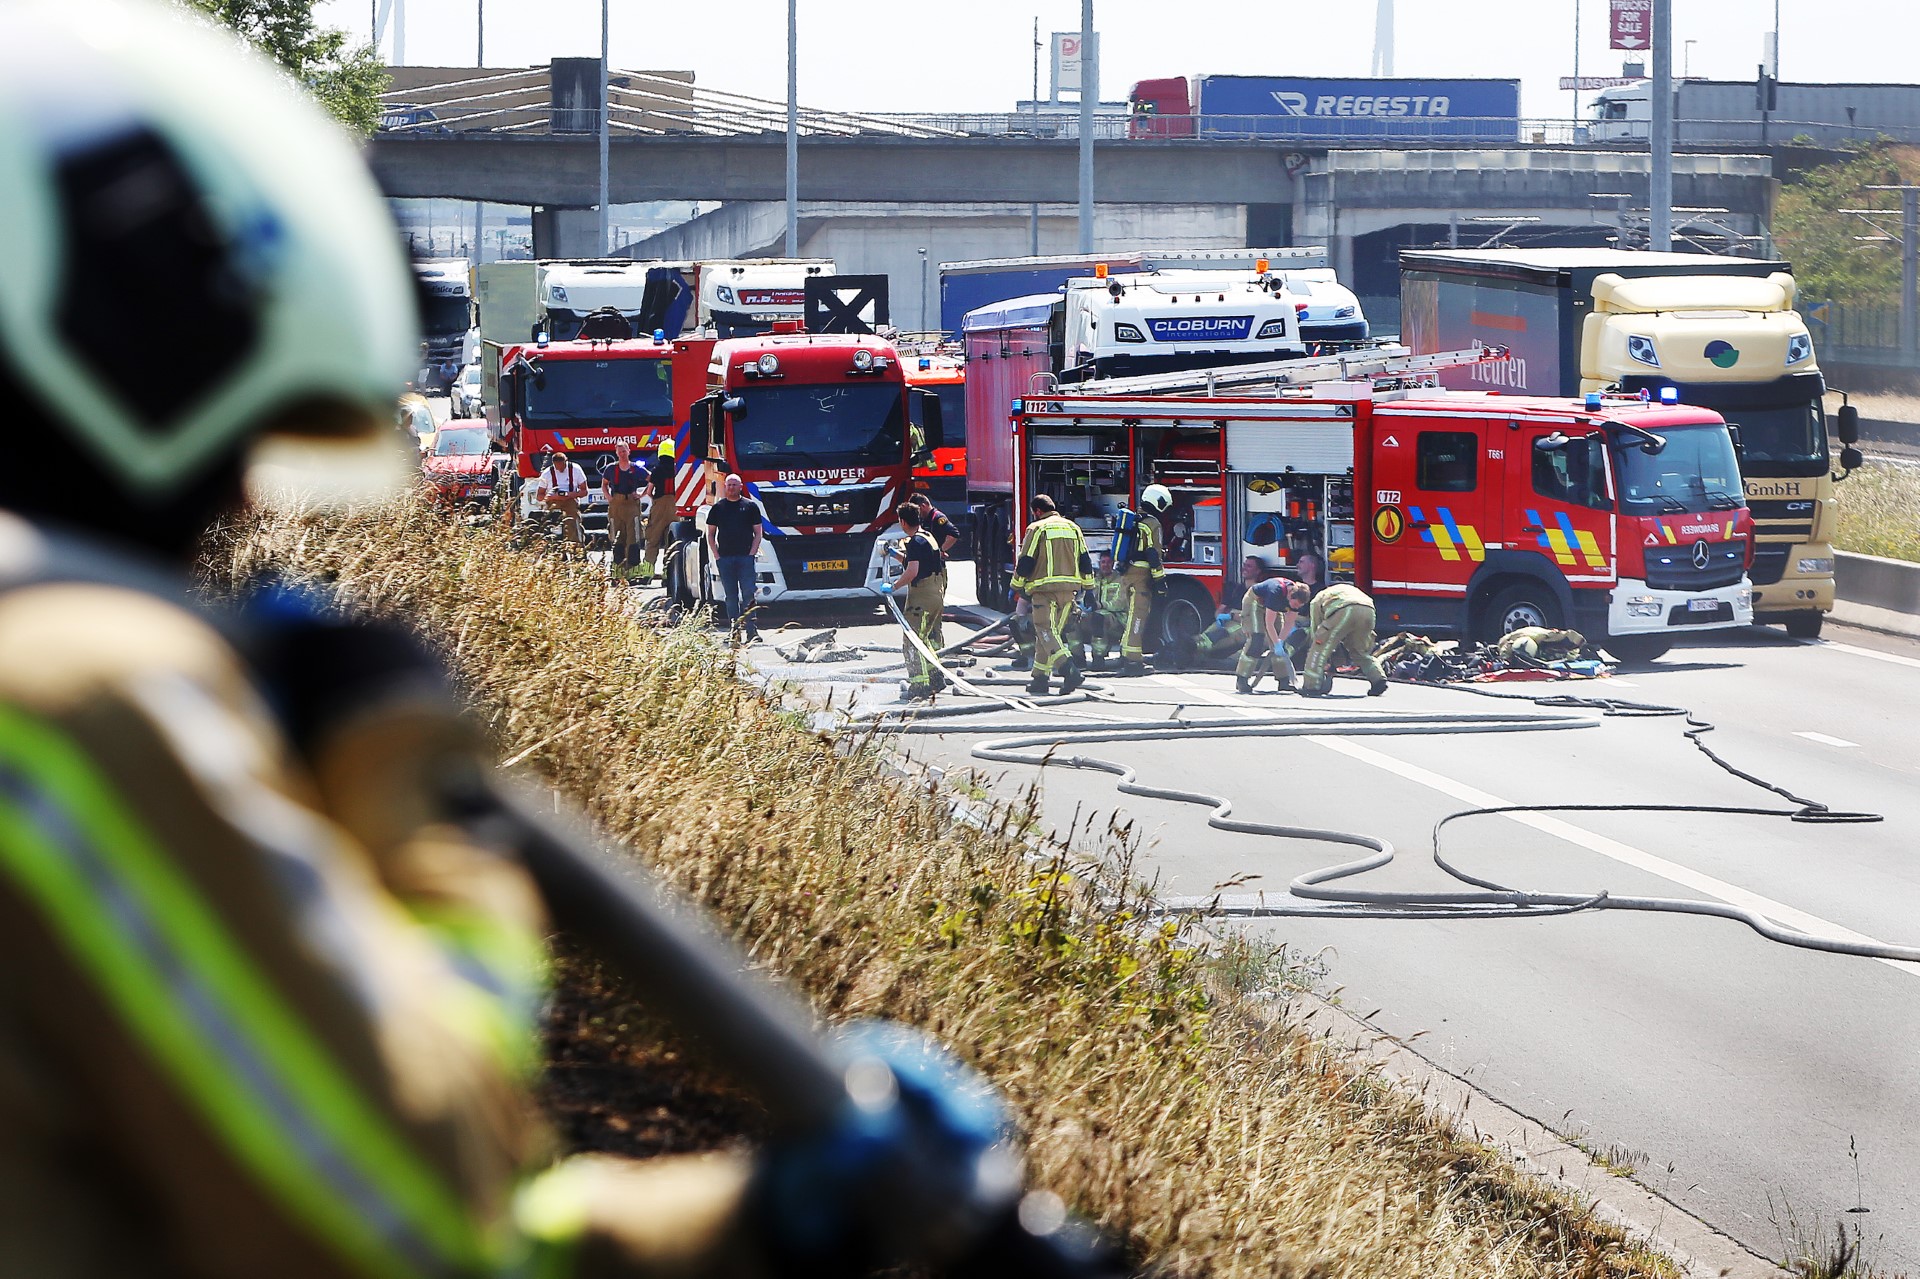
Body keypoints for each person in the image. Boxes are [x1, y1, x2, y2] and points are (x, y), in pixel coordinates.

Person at [0, 3, 985, 1273]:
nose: (240, 511)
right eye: (236, 458)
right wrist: (411, 797)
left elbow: (377, 1213)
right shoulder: (67, 705)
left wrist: (740, 1222)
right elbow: (415, 1219)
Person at [1009, 494, 1093, 697]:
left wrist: (1016, 586)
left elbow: (1026, 560)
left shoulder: (1037, 528)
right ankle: (1040, 678)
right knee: (1048, 636)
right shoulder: (1073, 528)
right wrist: (1089, 589)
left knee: (1044, 630)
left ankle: (1068, 669)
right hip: (1069, 592)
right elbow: (1085, 560)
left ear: (1037, 511)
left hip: (1044, 592)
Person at [889, 503, 948, 701]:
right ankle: (935, 676)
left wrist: (894, 586)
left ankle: (919, 685)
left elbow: (913, 571)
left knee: (912, 641)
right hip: (935, 593)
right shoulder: (927, 537)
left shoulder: (914, 542)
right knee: (923, 639)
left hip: (921, 597)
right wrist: (892, 553)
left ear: (903, 521)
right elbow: (914, 562)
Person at [1112, 484, 1171, 676]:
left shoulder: (1135, 519)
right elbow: (1153, 554)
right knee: (1138, 617)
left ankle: (1124, 653)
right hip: (1141, 576)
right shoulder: (1152, 523)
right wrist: (1160, 581)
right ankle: (1133, 662)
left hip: (1127, 573)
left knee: (1130, 616)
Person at [1300, 581, 1390, 697]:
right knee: (1359, 651)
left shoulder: (1316, 601)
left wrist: (1317, 645)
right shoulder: (1341, 591)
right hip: (1369, 609)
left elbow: (1316, 630)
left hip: (1346, 609)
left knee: (1318, 648)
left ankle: (1311, 686)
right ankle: (1378, 679)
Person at [705, 472, 765, 641]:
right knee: (730, 596)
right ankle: (734, 631)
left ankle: (752, 632)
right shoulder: (718, 508)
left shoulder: (750, 506)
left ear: (741, 487)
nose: (731, 488)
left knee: (749, 594)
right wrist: (717, 556)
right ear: (725, 487)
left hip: (745, 559)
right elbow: (710, 534)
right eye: (728, 485)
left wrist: (751, 554)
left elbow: (758, 533)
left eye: (734, 485)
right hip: (725, 559)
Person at [600, 441, 649, 582]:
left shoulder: (635, 468)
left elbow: (651, 479)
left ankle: (633, 571)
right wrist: (609, 497)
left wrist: (642, 494)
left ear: (629, 451)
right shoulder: (610, 469)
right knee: (617, 537)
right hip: (616, 504)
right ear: (616, 453)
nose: (622, 454)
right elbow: (604, 484)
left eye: (624, 451)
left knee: (633, 536)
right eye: (619, 451)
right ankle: (618, 571)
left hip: (632, 505)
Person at [637, 437, 678, 585]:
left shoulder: (657, 470)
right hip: (675, 507)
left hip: (659, 505)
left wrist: (654, 499)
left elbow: (649, 491)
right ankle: (668, 576)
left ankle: (647, 574)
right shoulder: (678, 469)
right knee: (671, 542)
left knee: (652, 540)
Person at [1079, 551, 1127, 668]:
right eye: (1103, 562)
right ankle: (1077, 658)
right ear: (1099, 563)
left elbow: (1120, 603)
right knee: (1073, 618)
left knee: (1098, 617)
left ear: (1113, 564)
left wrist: (1100, 605)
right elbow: (1082, 598)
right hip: (1095, 615)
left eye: (1109, 562)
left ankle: (1098, 658)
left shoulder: (1120, 580)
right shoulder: (1094, 580)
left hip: (1117, 620)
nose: (1106, 565)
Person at [535, 446, 589, 549]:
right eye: (557, 466)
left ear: (566, 461)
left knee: (573, 524)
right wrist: (552, 496)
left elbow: (584, 491)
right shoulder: (547, 473)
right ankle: (555, 549)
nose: (560, 468)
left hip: (571, 501)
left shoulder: (576, 469)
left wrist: (571, 494)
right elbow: (539, 496)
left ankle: (577, 549)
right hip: (553, 503)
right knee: (554, 527)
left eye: (562, 466)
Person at [1283, 550, 1327, 670]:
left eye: (1301, 562)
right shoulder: (1293, 587)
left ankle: (1280, 660)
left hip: (1304, 627)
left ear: (1312, 565)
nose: (1298, 565)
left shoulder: (1320, 590)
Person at [909, 492, 959, 562]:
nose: (916, 513)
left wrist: (940, 551)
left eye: (917, 510)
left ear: (923, 506)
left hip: (936, 563)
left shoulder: (938, 518)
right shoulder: (924, 519)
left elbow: (954, 534)